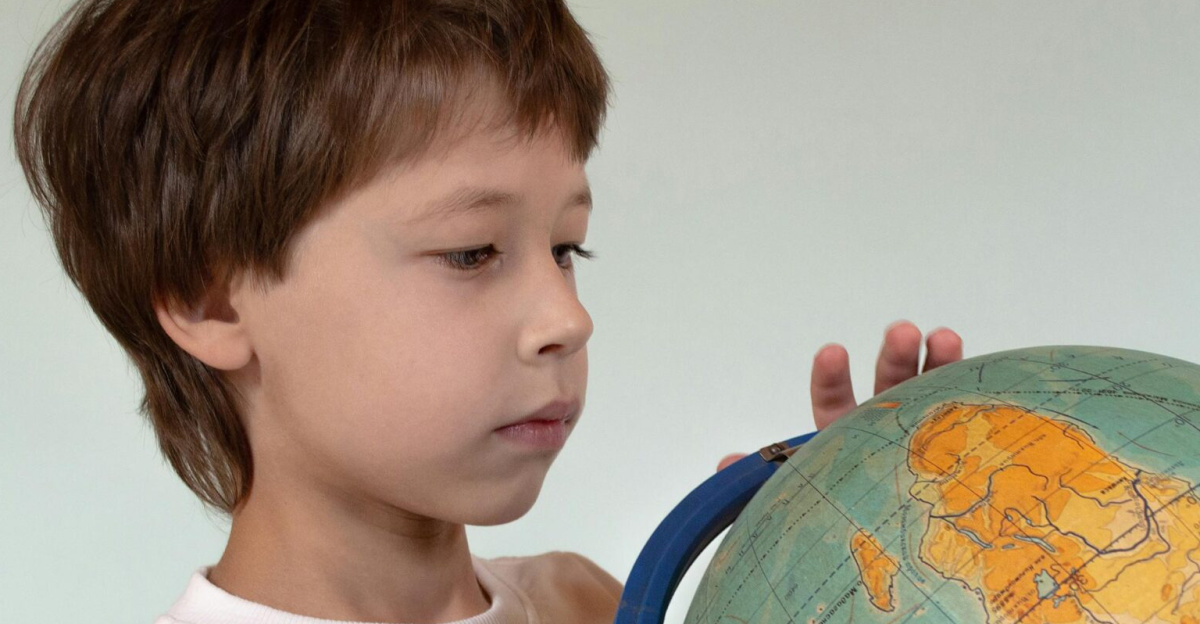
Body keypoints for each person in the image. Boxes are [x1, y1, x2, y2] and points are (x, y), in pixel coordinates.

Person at [12, 0, 962, 622]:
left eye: (566, 248)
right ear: (210, 298)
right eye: (471, 252)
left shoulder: (585, 603)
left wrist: (850, 574)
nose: (566, 318)